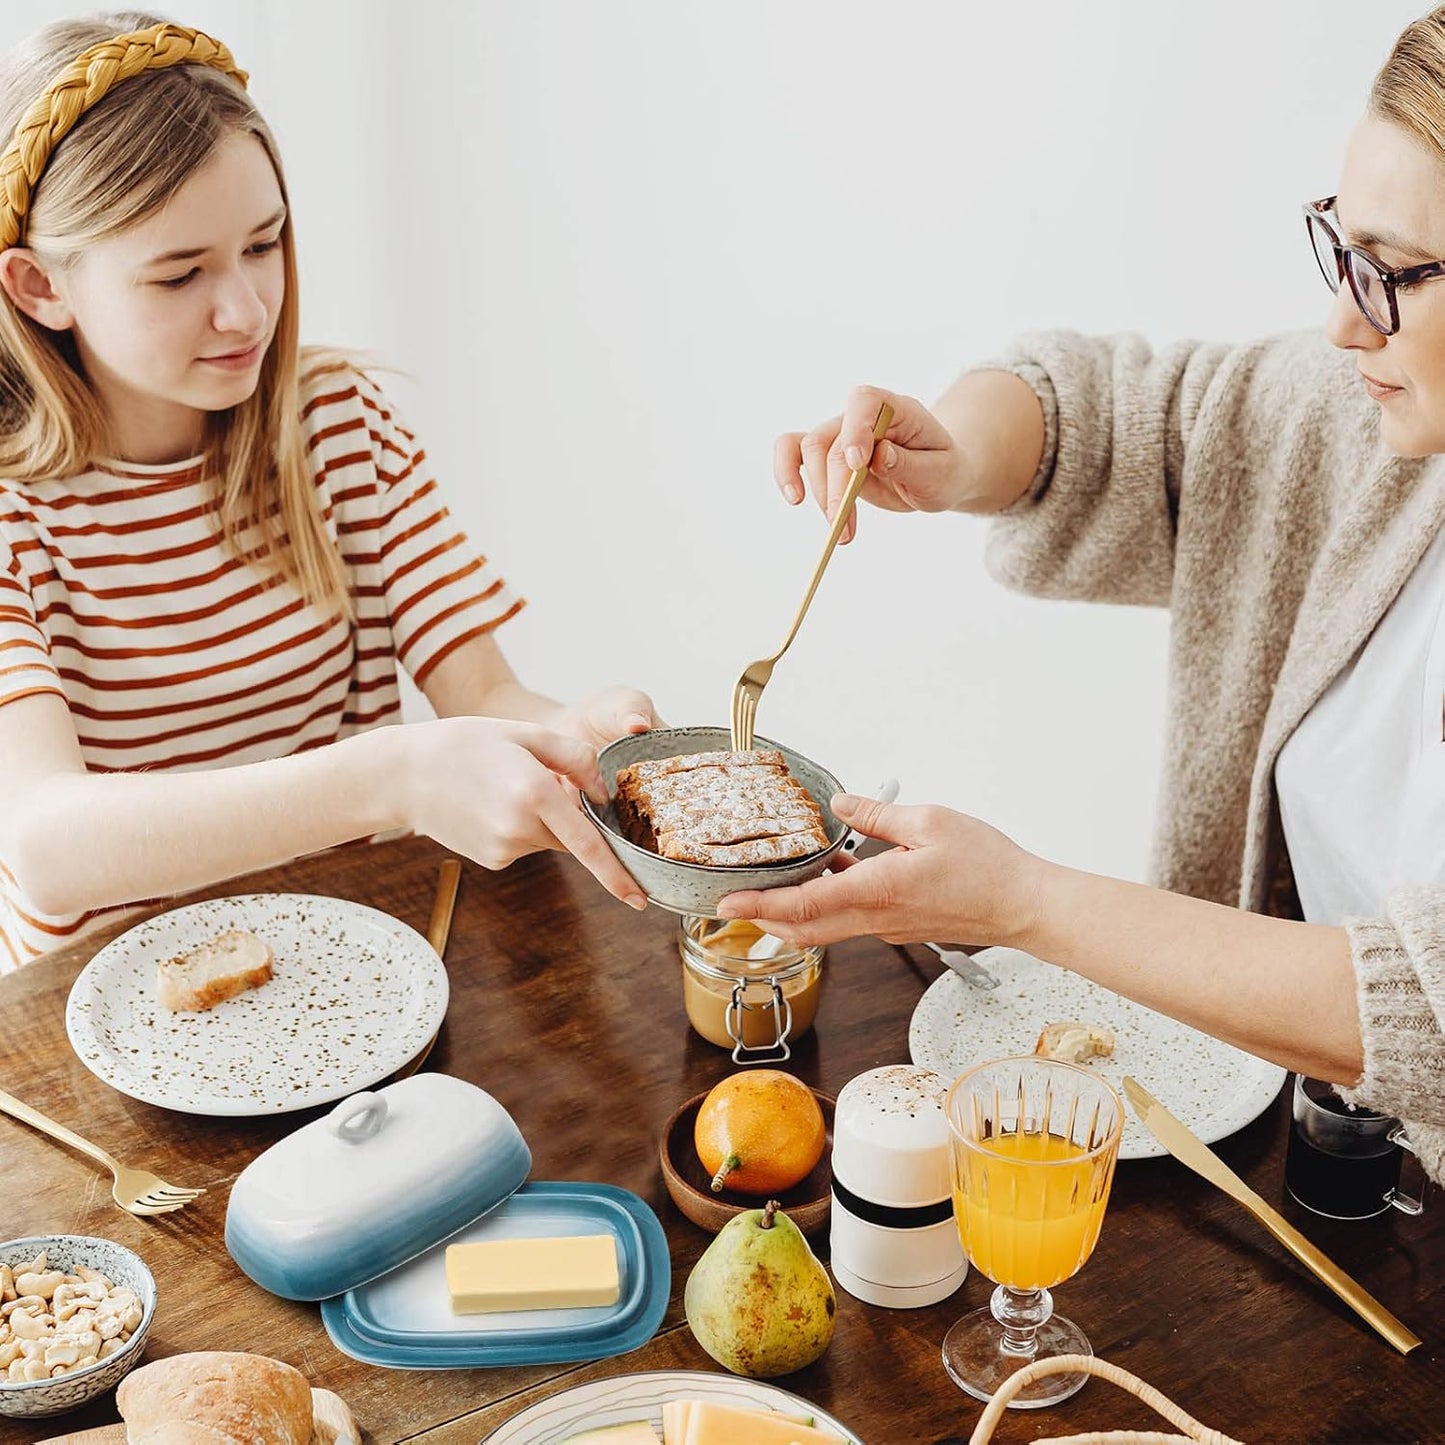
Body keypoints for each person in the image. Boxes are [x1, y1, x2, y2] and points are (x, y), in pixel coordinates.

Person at [720, 7, 1445, 1183]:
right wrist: (955, 448)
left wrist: (1020, 901)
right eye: (1335, 245)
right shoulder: (1374, 429)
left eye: (1391, 272)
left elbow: (1426, 1008)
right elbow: (1122, 413)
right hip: (1311, 1164)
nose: (1339, 319)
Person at [0, 13, 658, 971]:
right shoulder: (17, 515)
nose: (246, 310)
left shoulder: (338, 421)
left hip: (352, 975)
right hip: (106, 1014)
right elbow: (45, 845)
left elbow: (485, 691)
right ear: (37, 288)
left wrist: (566, 739)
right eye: (178, 274)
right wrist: (392, 778)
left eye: (263, 245)